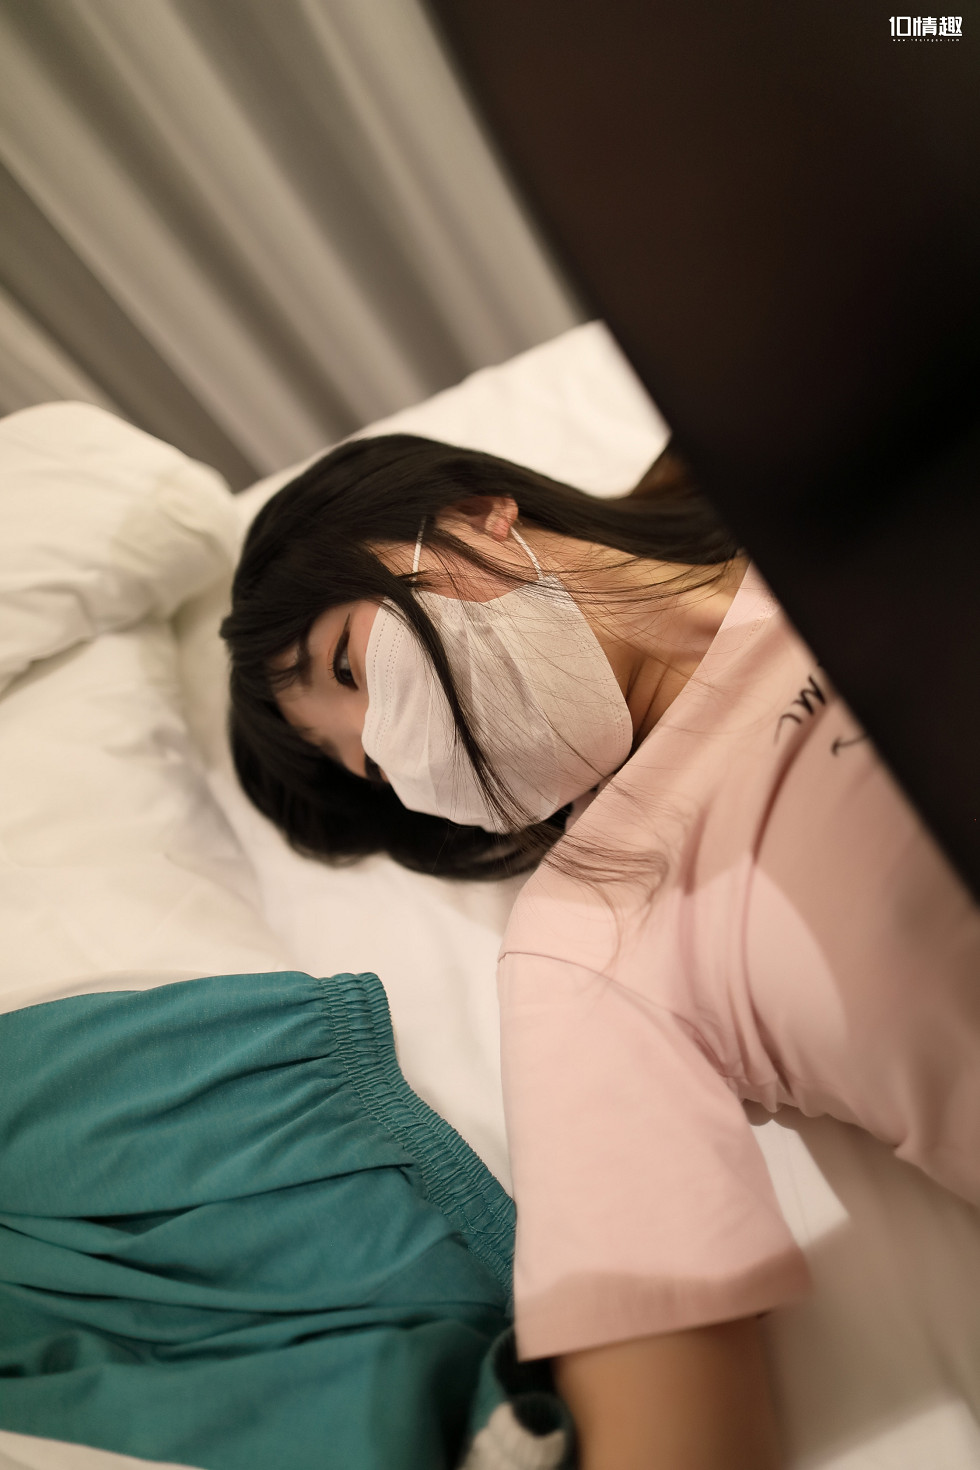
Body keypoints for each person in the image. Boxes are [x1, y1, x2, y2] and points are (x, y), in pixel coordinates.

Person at [222, 433, 980, 1470]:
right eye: (373, 767)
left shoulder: (811, 455)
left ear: (476, 514)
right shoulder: (591, 934)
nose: (394, 746)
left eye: (350, 666)